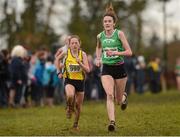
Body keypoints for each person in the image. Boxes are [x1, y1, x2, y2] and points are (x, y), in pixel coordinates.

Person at [95, 3, 132, 131]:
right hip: (107, 68)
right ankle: (112, 122)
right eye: (105, 21)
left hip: (119, 68)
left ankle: (124, 97)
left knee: (118, 100)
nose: (107, 23)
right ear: (103, 23)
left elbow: (129, 52)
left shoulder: (119, 34)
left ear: (114, 23)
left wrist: (116, 52)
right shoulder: (100, 36)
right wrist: (98, 58)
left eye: (109, 21)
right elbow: (99, 47)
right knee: (109, 95)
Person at [55, 35, 90, 130]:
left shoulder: (83, 54)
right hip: (69, 80)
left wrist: (80, 63)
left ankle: (76, 124)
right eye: (72, 43)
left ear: (79, 44)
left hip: (80, 82)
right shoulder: (66, 53)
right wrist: (58, 72)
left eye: (76, 43)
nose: (74, 45)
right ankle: (69, 108)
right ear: (69, 45)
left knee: (78, 106)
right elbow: (57, 59)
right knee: (70, 95)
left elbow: (88, 70)